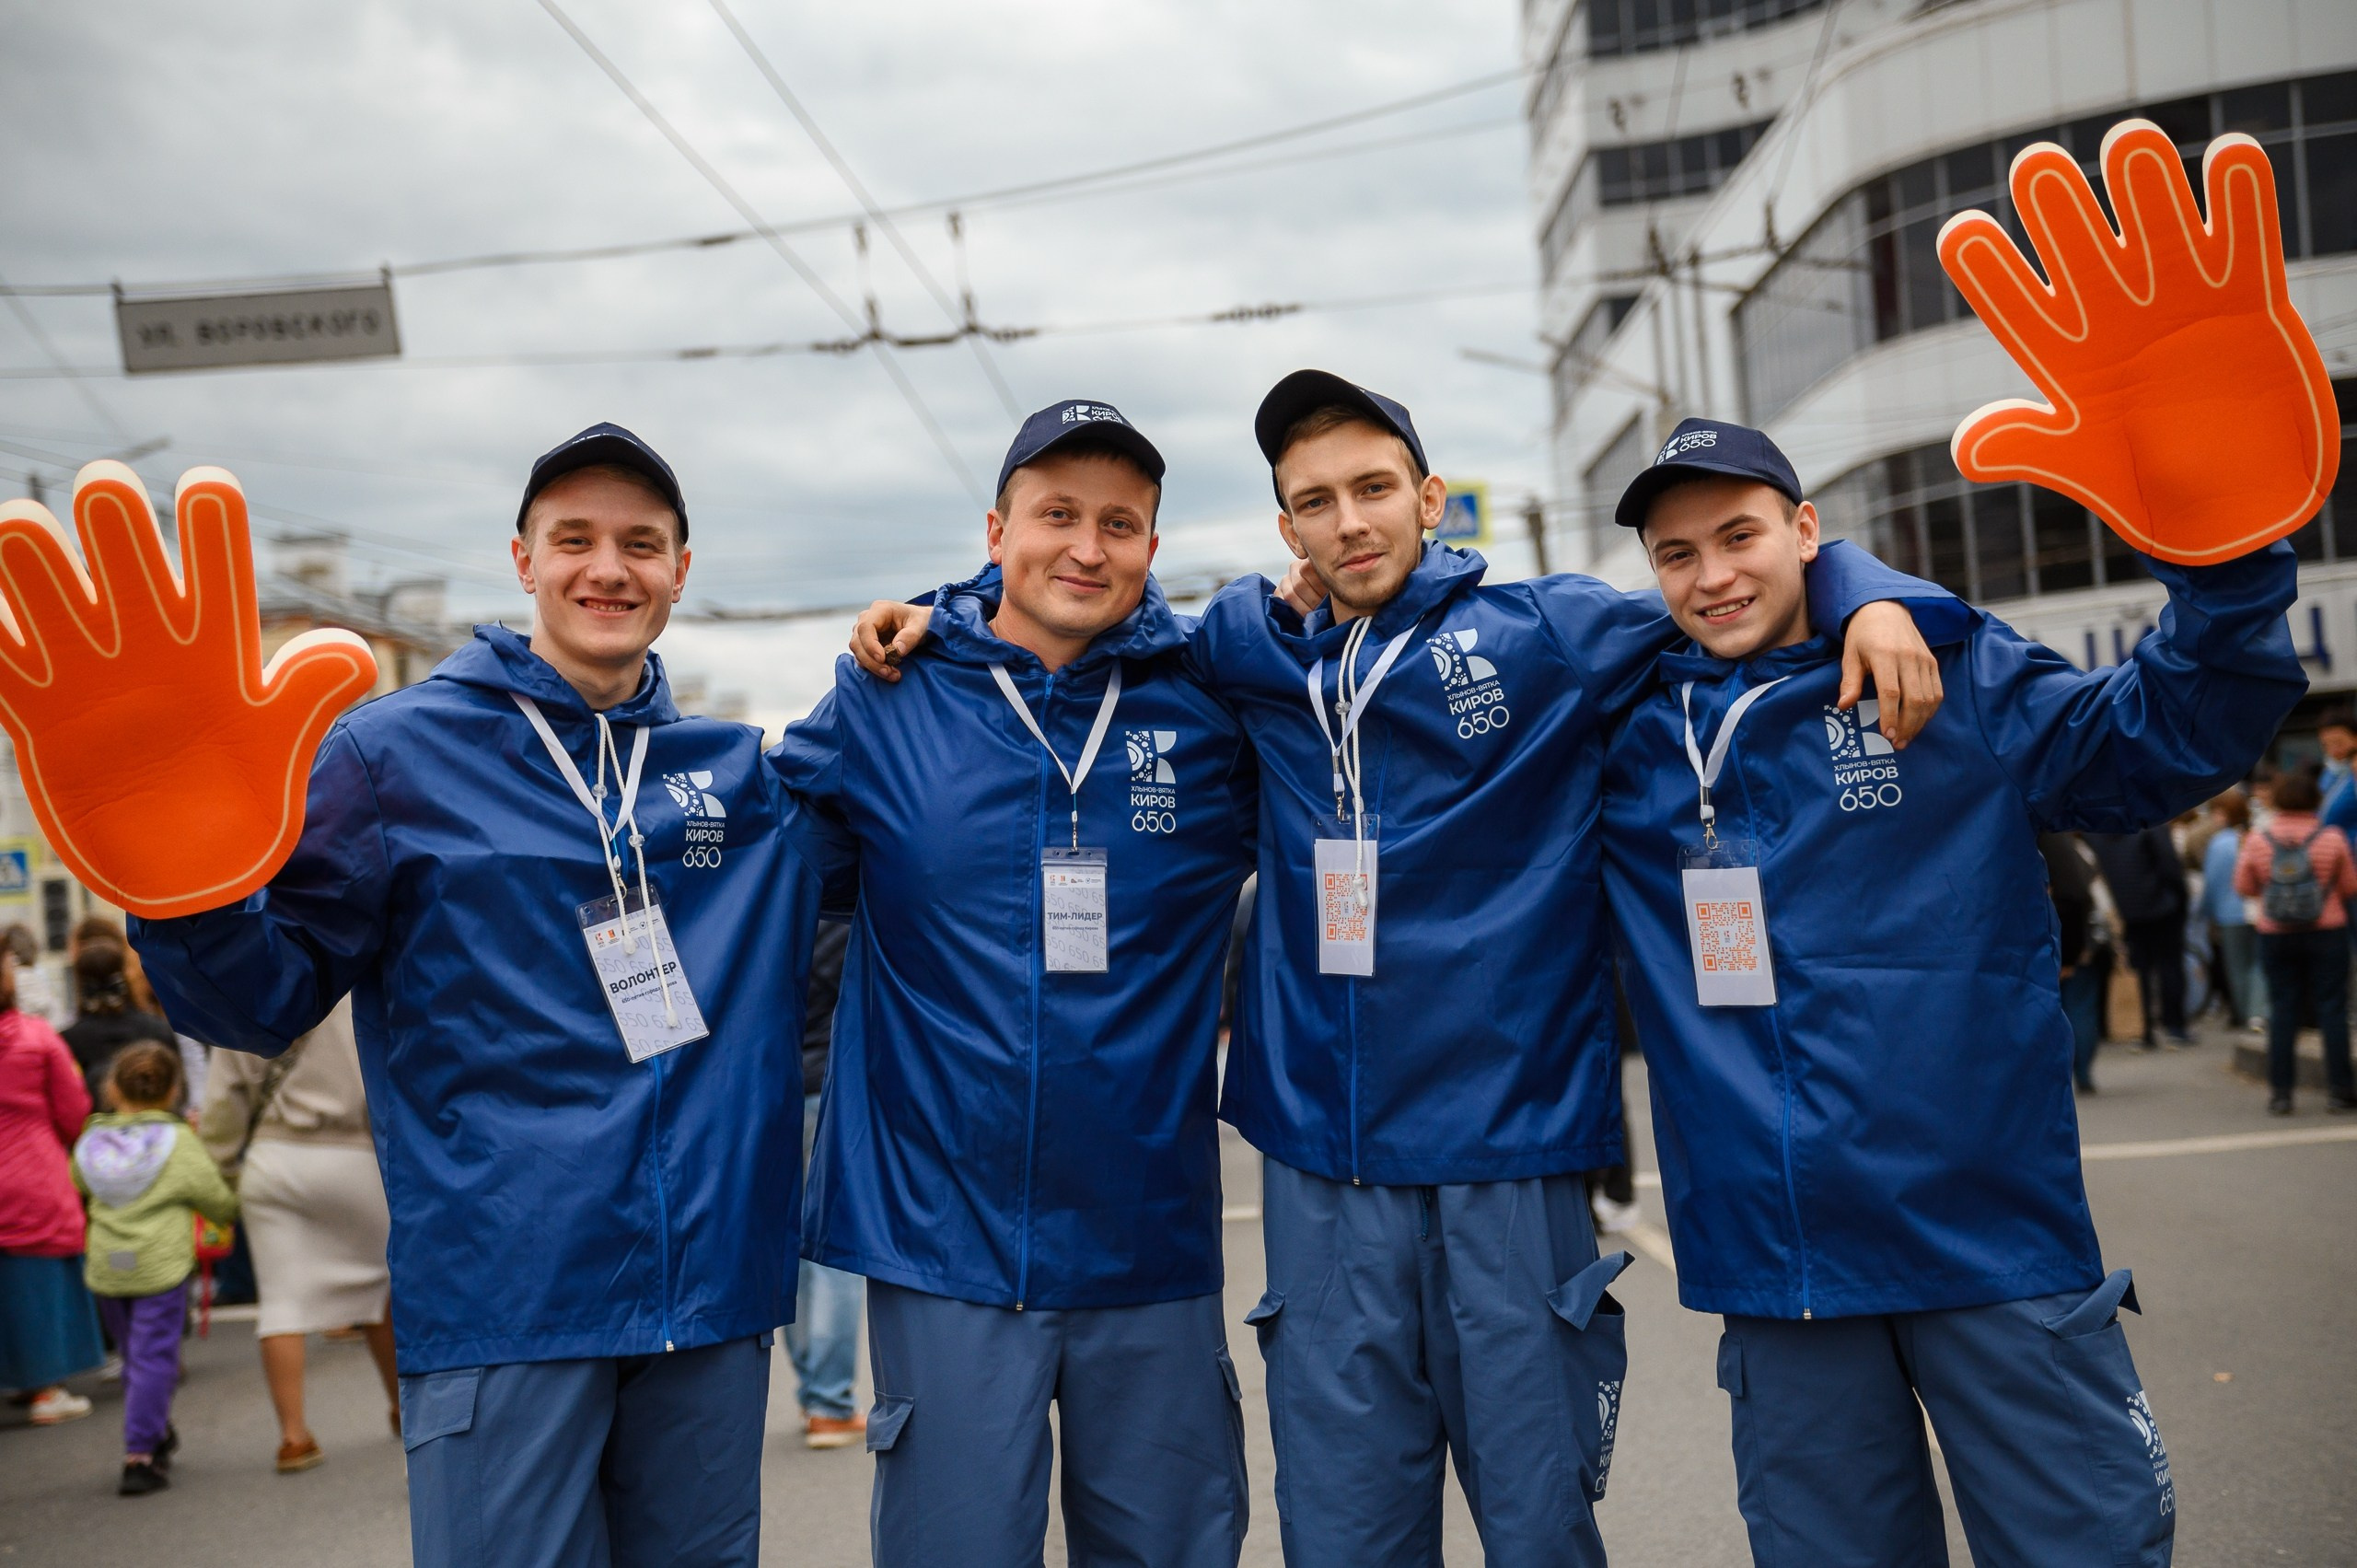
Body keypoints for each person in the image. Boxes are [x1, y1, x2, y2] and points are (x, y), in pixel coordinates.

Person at [851, 372, 1950, 1565]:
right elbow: (1065, 609)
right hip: (1323, 1170)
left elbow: (1730, 591)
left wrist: (1870, 592)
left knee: (1538, 1528)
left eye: (1375, 487)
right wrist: (935, 612)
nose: (1350, 519)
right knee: (1345, 1538)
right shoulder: (1242, 645)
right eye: (1315, 499)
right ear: (1288, 530)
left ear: (1431, 499)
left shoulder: (1547, 633)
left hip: (1510, 1156)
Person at [131, 424, 846, 1566]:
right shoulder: (389, 757)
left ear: (679, 570)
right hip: (509, 1291)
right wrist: (176, 889)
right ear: (523, 559)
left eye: (641, 543)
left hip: (707, 1295)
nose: (607, 568)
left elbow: (904, 782)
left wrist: (927, 624)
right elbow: (261, 999)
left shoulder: (733, 776)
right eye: (575, 539)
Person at [1596, 416, 2303, 1566]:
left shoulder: (1949, 670)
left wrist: (2222, 560)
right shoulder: (1625, 730)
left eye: (1740, 535)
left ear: (1807, 531)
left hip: (1986, 1239)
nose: (1713, 575)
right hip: (1783, 1277)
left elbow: (2160, 736)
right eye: (1678, 554)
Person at [780, 401, 1259, 1566]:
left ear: (1152, 547)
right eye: (1056, 516)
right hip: (940, 1237)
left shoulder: (1209, 711)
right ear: (996, 531)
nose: (1086, 548)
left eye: (1120, 523)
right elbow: (746, 883)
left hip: (1147, 1236)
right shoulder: (889, 697)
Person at [198, 997, 397, 1472]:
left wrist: (220, 1169)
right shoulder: (354, 987)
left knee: (281, 1300)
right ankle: (401, 1407)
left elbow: (226, 1097)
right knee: (379, 1291)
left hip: (274, 1156)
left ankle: (294, 1436)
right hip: (353, 1155)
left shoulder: (246, 988)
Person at [73, 1041, 239, 1495]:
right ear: (172, 1092)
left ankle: (156, 1428)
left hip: (107, 1266)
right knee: (155, 1359)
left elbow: (78, 1182)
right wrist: (229, 1211)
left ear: (111, 1087)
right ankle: (140, 1454)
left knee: (134, 1357)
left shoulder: (92, 1139)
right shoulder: (177, 1142)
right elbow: (214, 1197)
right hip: (160, 1266)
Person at [0, 948, 105, 1426]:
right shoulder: (35, 1037)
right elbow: (73, 1109)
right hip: (31, 1175)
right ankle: (43, 1388)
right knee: (38, 1287)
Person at [2235, 761, 2357, 1115]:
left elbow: (2243, 886)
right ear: (2315, 800)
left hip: (2276, 935)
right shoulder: (2331, 838)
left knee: (2283, 1010)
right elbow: (2350, 887)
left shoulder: (2259, 840)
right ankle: (2340, 1090)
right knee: (2332, 1009)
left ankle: (2281, 1094)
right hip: (2327, 931)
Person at [784, 921, 864, 1450]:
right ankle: (830, 1402)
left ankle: (813, 1383)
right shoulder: (847, 916)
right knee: (833, 1249)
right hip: (830, 1086)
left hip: (775, 1089)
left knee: (790, 1245)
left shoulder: (774, 901)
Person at [2087, 825, 2192, 1046]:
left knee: (2139, 971)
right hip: (2163, 906)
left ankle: (2144, 1030)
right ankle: (2175, 1026)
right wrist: (2180, 897)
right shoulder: (2149, 823)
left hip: (2128, 910)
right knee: (2170, 966)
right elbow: (2169, 865)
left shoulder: (2096, 831)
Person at [60, 942, 179, 1108]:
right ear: (125, 976)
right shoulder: (158, 1029)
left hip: (93, 1129)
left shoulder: (67, 1040)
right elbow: (178, 1090)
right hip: (160, 1127)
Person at [2043, 832, 2111, 1093]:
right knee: (2081, 1007)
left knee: (2062, 1009)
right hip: (2085, 939)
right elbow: (2079, 896)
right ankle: (2083, 1071)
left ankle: (2066, 1071)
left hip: (2058, 940)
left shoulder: (2044, 845)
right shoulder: (2079, 850)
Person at [2203, 789, 2262, 1030]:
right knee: (2258, 964)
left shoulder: (2219, 843)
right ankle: (2259, 1013)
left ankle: (2243, 1012)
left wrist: (2209, 913)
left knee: (2237, 966)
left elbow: (2213, 882)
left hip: (2229, 912)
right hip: (2258, 909)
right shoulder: (2255, 836)